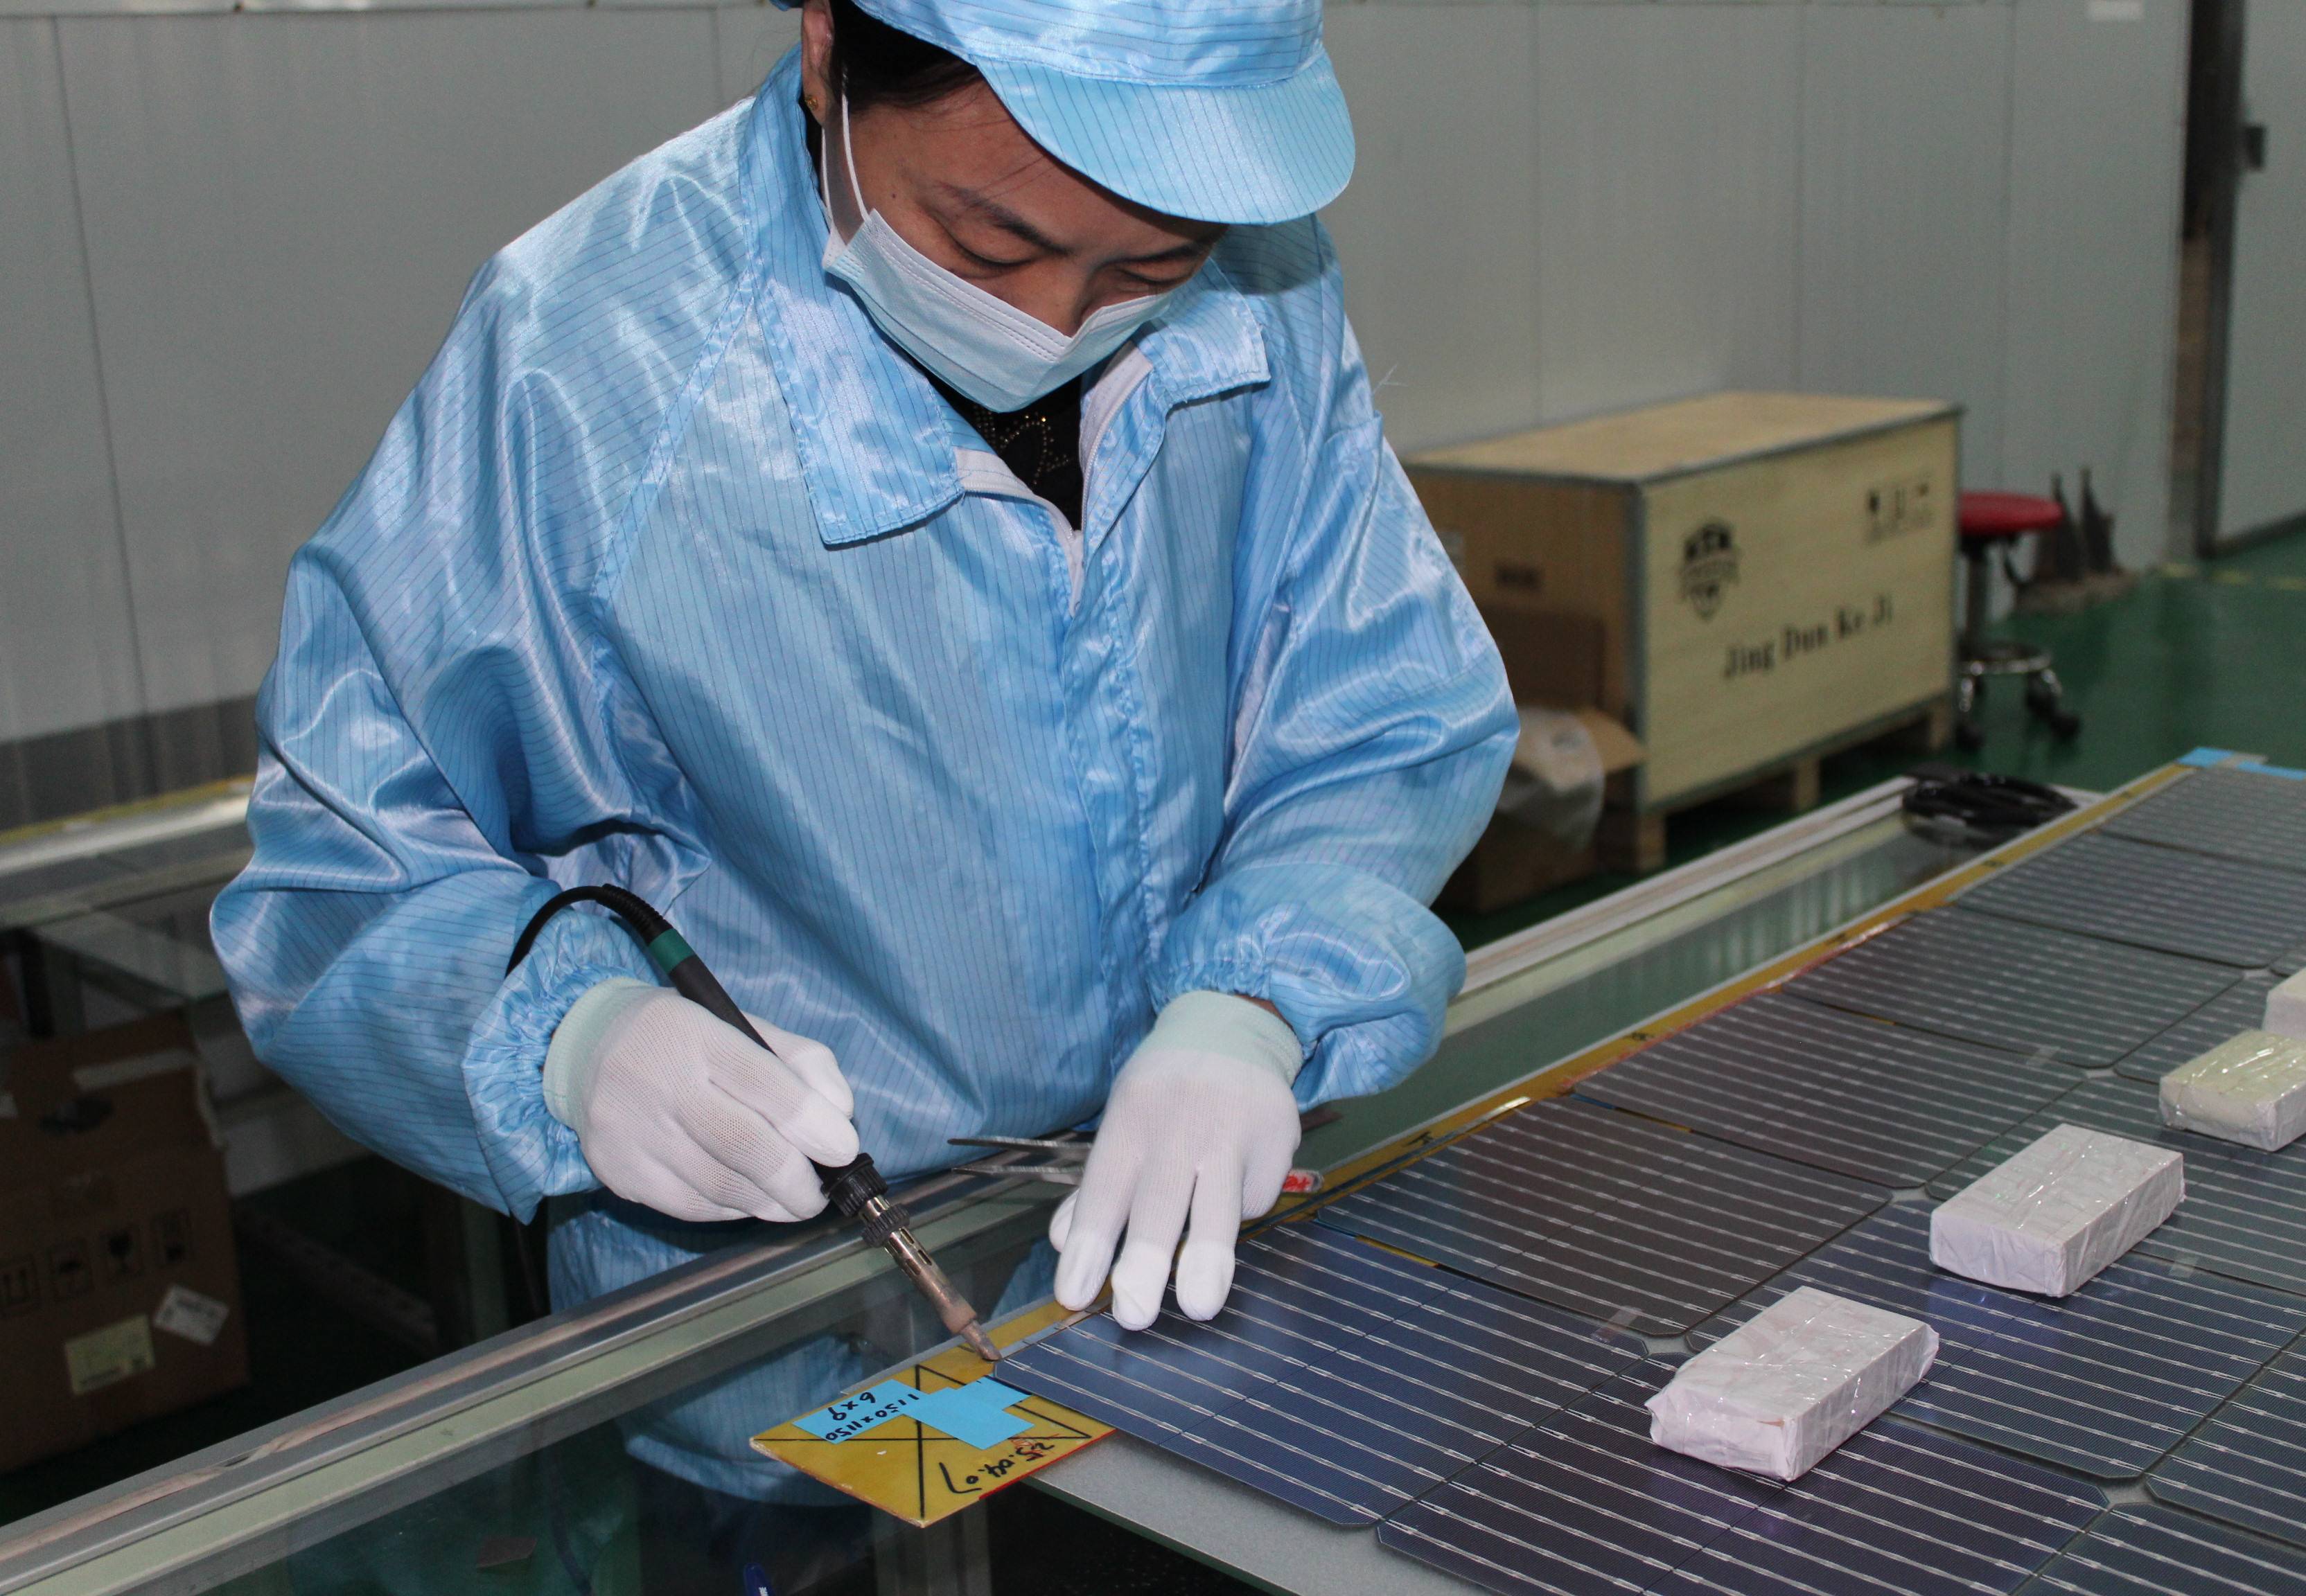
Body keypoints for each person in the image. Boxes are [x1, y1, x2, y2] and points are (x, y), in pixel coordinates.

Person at [212, 0, 1513, 1523]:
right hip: (792, 1356)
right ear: (832, 47)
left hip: (1173, 1309)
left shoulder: (1265, 287)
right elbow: (341, 868)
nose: (1057, 326)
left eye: (1146, 272)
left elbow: (1381, 716)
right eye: (988, 244)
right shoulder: (586, 360)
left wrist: (1252, 1006)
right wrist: (574, 1038)